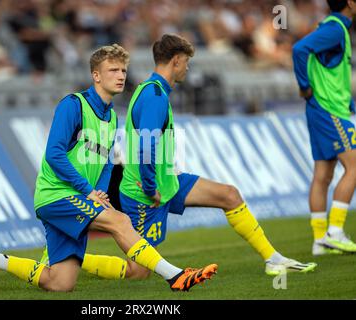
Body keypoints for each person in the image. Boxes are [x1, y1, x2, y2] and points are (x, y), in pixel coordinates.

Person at [0, 44, 218, 292]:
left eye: (123, 70)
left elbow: (106, 162)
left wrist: (99, 193)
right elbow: (54, 154)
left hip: (78, 196)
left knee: (60, 283)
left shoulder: (111, 118)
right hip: (55, 196)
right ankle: (174, 276)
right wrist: (87, 190)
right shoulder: (73, 105)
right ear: (96, 75)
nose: (120, 76)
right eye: (112, 70)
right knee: (120, 221)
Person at [115, 33, 317, 279]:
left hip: (167, 181)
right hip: (144, 194)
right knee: (138, 273)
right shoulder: (154, 96)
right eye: (186, 62)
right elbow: (146, 147)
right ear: (176, 60)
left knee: (229, 195)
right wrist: (149, 188)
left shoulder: (152, 90)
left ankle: (273, 259)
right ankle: (73, 264)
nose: (188, 68)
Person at [292, 0, 356, 255]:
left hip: (324, 108)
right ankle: (335, 232)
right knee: (354, 165)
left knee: (323, 175)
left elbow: (329, 70)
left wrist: (348, 99)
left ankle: (320, 240)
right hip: (328, 110)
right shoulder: (336, 28)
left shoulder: (336, 28)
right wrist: (304, 85)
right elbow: (299, 49)